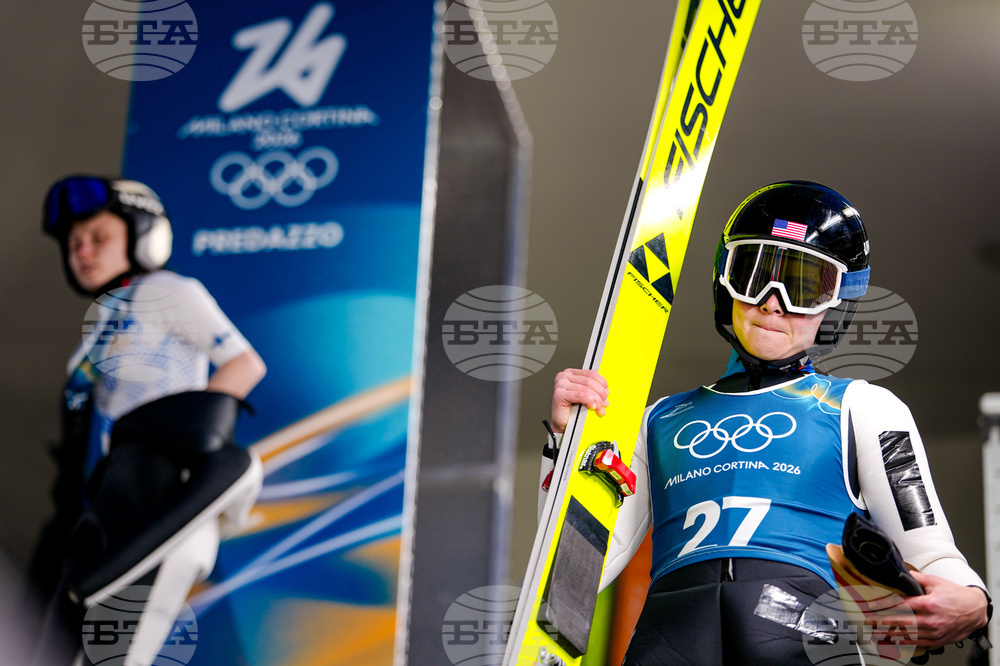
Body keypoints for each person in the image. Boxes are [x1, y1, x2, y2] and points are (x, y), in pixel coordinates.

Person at [544, 181, 990, 664]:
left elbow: (930, 549)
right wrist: (564, 445)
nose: (773, 302)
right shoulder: (657, 419)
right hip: (671, 634)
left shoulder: (865, 407)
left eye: (803, 286)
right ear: (724, 284)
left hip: (805, 631)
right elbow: (580, 569)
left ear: (834, 306)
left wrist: (973, 598)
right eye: (755, 275)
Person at [30, 175, 267, 665]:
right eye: (74, 244)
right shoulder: (97, 327)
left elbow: (245, 363)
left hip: (160, 496)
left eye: (99, 238)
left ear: (141, 236)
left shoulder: (168, 291)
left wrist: (192, 441)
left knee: (115, 655)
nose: (83, 252)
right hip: (110, 498)